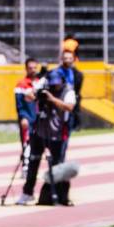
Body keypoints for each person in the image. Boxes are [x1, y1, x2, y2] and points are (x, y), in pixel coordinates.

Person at [16, 70, 76, 206]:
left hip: (57, 134)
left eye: (57, 83)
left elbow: (69, 107)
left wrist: (52, 99)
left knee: (57, 165)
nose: (54, 86)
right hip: (39, 131)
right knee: (33, 163)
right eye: (52, 83)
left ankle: (57, 195)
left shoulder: (68, 91)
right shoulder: (44, 87)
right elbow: (28, 97)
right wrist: (37, 92)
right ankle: (27, 193)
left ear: (62, 81)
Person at [14, 57, 40, 177]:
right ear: (26, 69)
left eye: (35, 67)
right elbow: (19, 104)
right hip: (28, 118)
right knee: (27, 143)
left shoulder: (41, 83)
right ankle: (26, 168)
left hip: (40, 120)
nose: (33, 70)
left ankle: (35, 167)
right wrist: (23, 117)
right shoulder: (21, 85)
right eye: (30, 68)